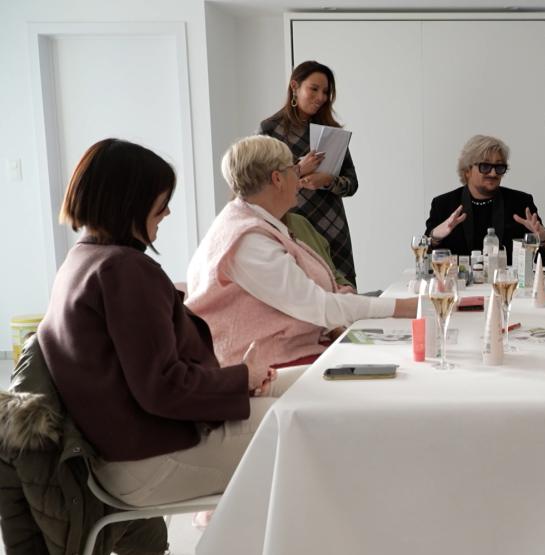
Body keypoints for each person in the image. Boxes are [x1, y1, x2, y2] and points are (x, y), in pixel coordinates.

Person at [35, 138, 276, 508]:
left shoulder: (81, 260)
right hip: (149, 461)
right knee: (306, 424)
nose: (166, 212)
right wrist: (241, 377)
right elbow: (163, 388)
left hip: (122, 457)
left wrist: (240, 379)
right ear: (128, 201)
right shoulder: (124, 269)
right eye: (161, 202)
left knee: (306, 390)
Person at [187, 135, 417, 387]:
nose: (299, 177)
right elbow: (320, 306)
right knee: (396, 376)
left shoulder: (256, 224)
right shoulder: (248, 241)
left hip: (289, 354)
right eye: (294, 169)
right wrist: (402, 307)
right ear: (277, 178)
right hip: (263, 369)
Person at [260, 60, 361, 287]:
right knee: (303, 295)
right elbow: (261, 184)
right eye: (313, 89)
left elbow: (352, 184)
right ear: (295, 86)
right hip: (291, 225)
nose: (321, 97)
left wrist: (327, 181)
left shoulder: (331, 132)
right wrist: (298, 169)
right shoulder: (269, 130)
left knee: (344, 295)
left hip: (332, 226)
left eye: (325, 92)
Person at [425, 134, 545, 263]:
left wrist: (544, 240)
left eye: (499, 167)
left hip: (507, 283)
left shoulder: (521, 203)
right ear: (467, 170)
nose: (493, 173)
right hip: (458, 283)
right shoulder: (443, 205)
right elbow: (424, 258)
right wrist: (434, 238)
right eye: (485, 166)